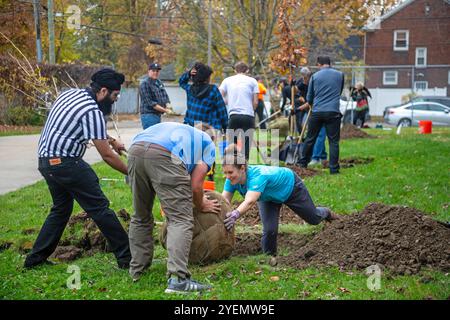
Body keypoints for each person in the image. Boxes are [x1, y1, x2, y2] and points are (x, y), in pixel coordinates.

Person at [24, 68, 131, 269]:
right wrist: (132, 172)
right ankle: (128, 258)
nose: (115, 100)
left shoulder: (71, 94)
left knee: (61, 209)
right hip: (66, 163)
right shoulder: (92, 110)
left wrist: (112, 140)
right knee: (100, 208)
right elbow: (106, 155)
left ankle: (35, 260)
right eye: (115, 95)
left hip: (46, 162)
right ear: (104, 91)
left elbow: (84, 126)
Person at [127, 122, 221, 293]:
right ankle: (178, 280)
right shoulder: (208, 143)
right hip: (164, 154)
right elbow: (196, 186)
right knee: (181, 219)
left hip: (135, 149)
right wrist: (201, 204)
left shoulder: (176, 130)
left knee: (140, 215)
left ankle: (137, 270)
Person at [221, 146, 339, 256]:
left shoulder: (257, 176)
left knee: (314, 218)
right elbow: (224, 200)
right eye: (225, 173)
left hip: (289, 187)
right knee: (270, 230)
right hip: (267, 197)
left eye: (230, 172)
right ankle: (269, 257)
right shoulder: (231, 181)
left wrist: (235, 214)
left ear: (242, 168)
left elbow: (250, 201)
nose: (227, 176)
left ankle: (327, 212)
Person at [298, 56, 344, 174]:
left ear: (319, 64)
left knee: (310, 138)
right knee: (333, 141)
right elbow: (339, 91)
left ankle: (302, 164)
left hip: (317, 112)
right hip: (333, 111)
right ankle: (334, 169)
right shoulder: (340, 75)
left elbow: (309, 98)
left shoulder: (315, 76)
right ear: (330, 63)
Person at [219, 61, 259, 160]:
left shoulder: (227, 80)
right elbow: (256, 102)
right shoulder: (253, 81)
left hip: (233, 115)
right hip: (248, 115)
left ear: (234, 70)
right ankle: (244, 167)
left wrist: (228, 101)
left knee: (232, 144)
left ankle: (232, 167)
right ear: (247, 70)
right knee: (246, 144)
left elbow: (219, 95)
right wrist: (251, 110)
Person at [179, 62, 228, 133]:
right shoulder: (213, 90)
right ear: (206, 78)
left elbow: (181, 82)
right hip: (210, 128)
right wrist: (225, 126)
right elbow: (221, 110)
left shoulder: (190, 89)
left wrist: (189, 73)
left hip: (192, 128)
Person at [139, 63, 171, 129]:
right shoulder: (145, 84)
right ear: (149, 71)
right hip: (148, 115)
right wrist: (165, 110)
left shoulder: (159, 82)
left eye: (157, 71)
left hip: (158, 115)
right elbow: (151, 103)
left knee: (156, 137)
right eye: (153, 71)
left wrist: (168, 106)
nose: (155, 73)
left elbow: (165, 96)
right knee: (150, 137)